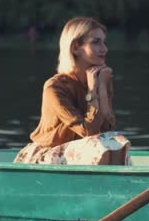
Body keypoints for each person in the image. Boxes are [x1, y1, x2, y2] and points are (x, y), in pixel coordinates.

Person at [14, 17, 131, 165]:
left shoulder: (102, 78)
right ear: (75, 48)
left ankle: (111, 186)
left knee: (115, 142)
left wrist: (101, 87)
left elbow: (107, 128)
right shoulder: (55, 87)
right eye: (96, 42)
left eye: (104, 42)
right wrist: (93, 89)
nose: (104, 49)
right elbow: (89, 132)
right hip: (47, 155)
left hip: (84, 149)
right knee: (99, 146)